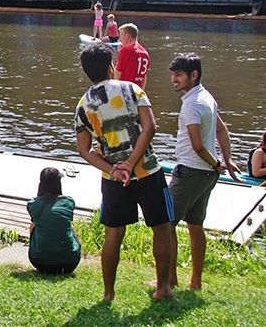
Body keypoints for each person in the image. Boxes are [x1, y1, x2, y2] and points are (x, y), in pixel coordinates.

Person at [75, 41, 174, 302]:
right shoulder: (133, 90)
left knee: (114, 234)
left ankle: (108, 294)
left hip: (112, 178)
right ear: (111, 66)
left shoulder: (83, 104)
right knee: (161, 227)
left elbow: (84, 150)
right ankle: (163, 289)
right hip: (147, 171)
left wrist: (114, 169)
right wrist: (131, 163)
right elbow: (150, 127)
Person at [167, 53, 240, 290]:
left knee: (166, 224)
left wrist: (217, 164)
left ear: (194, 75)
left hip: (190, 172)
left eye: (178, 75)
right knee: (195, 227)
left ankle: (170, 281)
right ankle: (195, 282)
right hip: (207, 175)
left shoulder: (191, 104)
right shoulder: (206, 97)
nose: (173, 80)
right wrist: (226, 161)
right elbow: (221, 130)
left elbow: (197, 145)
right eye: (173, 75)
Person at [27, 167, 81, 275]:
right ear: (58, 183)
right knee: (67, 227)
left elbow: (36, 222)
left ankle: (43, 251)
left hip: (40, 262)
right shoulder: (68, 201)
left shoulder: (33, 204)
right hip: (71, 262)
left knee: (34, 225)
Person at [115, 23, 150, 89]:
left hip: (124, 91)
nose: (120, 39)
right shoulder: (145, 53)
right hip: (137, 91)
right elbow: (144, 78)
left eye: (121, 36)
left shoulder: (126, 50)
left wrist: (120, 54)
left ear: (127, 36)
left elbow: (117, 74)